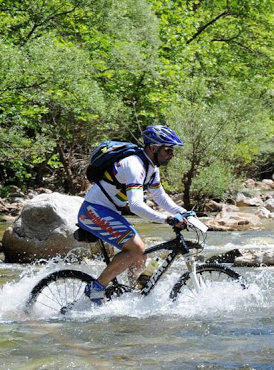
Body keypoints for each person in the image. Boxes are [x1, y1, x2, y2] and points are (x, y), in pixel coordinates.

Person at [77, 125, 192, 305]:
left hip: (109, 211)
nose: (172, 154)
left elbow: (160, 196)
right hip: (93, 211)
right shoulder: (134, 165)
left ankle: (133, 297)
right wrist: (166, 219)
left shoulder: (152, 167)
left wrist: (184, 213)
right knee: (136, 248)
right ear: (153, 148)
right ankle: (96, 287)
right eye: (168, 150)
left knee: (141, 253)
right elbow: (136, 204)